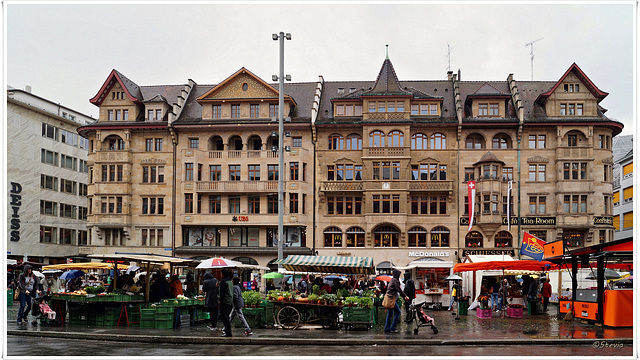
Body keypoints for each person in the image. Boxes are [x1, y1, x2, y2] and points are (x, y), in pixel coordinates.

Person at [384, 269, 409, 333]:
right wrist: (405, 296)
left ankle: (387, 328)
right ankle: (392, 327)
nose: (399, 276)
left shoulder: (393, 280)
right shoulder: (395, 280)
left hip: (391, 298)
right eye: (399, 274)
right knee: (398, 312)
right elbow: (398, 289)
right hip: (391, 299)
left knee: (390, 314)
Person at [218, 268, 234, 337]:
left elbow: (222, 292)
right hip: (229, 301)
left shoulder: (223, 282)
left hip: (224, 301)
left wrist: (220, 300)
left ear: (222, 274)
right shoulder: (230, 281)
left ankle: (228, 332)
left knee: (225, 318)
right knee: (226, 317)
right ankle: (228, 332)